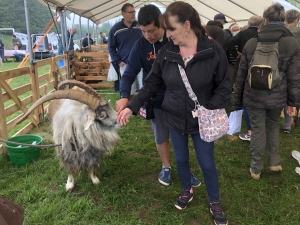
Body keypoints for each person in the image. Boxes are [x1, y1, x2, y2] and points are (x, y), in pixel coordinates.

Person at [117, 2, 231, 224]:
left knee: (206, 163)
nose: (167, 35)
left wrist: (208, 109)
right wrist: (131, 105)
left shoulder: (212, 50)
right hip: (174, 115)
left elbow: (225, 87)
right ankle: (187, 189)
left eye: (171, 30)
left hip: (202, 120)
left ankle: (215, 201)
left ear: (186, 25)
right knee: (180, 159)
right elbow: (150, 84)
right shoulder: (168, 51)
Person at [116, 4, 201, 187]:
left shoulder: (174, 40)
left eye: (152, 31)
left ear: (162, 24)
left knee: (181, 134)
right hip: (156, 99)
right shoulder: (140, 46)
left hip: (180, 99)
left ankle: (184, 168)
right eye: (144, 31)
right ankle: (166, 166)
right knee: (160, 134)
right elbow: (129, 73)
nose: (148, 36)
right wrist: (124, 95)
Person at [233, 3, 300, 180]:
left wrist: (237, 100)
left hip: (253, 94)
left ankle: (256, 168)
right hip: (277, 95)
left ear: (266, 19)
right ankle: (274, 162)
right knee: (272, 126)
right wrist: (293, 103)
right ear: (283, 20)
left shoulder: (252, 42)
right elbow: (294, 77)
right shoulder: (292, 43)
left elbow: (241, 75)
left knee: (257, 129)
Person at [226, 15, 262, 142]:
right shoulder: (261, 35)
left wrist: (236, 54)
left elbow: (230, 42)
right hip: (258, 67)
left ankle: (241, 111)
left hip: (242, 64)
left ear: (248, 23)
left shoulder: (243, 33)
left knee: (240, 89)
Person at [108, 3, 143, 100]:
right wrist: (118, 61)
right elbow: (111, 47)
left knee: (144, 87)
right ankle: (130, 108)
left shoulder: (140, 26)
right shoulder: (115, 29)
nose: (133, 14)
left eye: (134, 12)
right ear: (123, 14)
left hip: (142, 63)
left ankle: (145, 108)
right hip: (126, 64)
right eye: (130, 12)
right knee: (128, 89)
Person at [283, 9, 300, 133]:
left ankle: (287, 124)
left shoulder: (282, 32)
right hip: (297, 68)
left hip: (283, 67)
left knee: (283, 93)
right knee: (294, 94)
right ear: (296, 20)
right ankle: (290, 122)